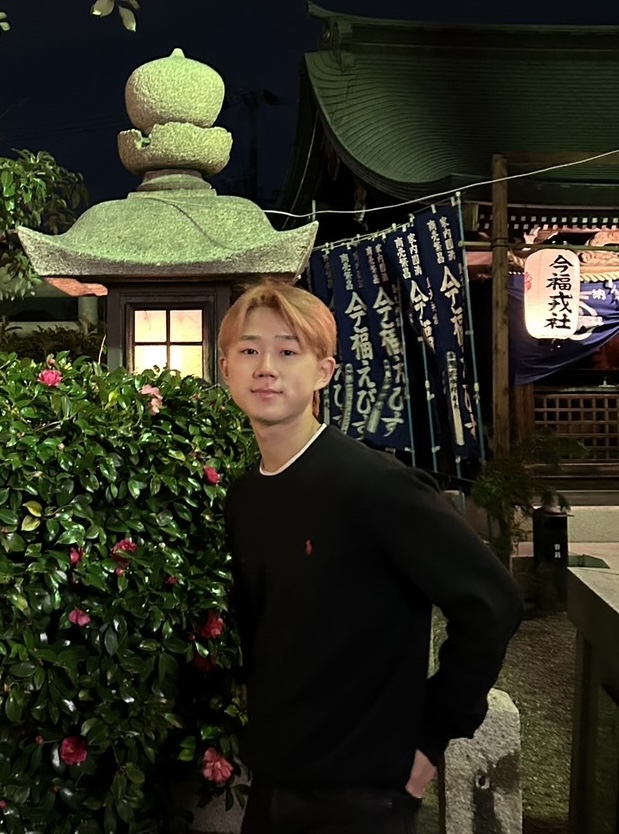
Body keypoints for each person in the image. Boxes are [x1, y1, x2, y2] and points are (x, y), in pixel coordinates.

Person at [218, 280, 523, 834]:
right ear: (226, 369)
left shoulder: (373, 485)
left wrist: (432, 736)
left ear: (323, 371)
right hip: (272, 783)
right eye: (249, 350)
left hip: (363, 796)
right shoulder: (245, 498)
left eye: (288, 351)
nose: (266, 368)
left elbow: (491, 601)